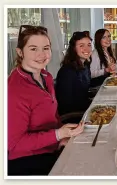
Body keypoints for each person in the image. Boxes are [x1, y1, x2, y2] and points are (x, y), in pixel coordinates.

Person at [8, 25, 84, 175]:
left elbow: (53, 116)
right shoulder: (14, 90)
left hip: (51, 148)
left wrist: (60, 138)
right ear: (20, 52)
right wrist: (58, 135)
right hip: (28, 161)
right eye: (33, 49)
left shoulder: (46, 76)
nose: (42, 55)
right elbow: (14, 145)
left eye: (46, 48)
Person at [55, 31, 93, 117]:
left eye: (89, 45)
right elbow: (66, 106)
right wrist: (92, 106)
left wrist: (108, 74)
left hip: (85, 110)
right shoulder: (67, 72)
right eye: (81, 46)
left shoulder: (85, 65)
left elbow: (89, 83)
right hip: (75, 117)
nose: (87, 49)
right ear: (73, 49)